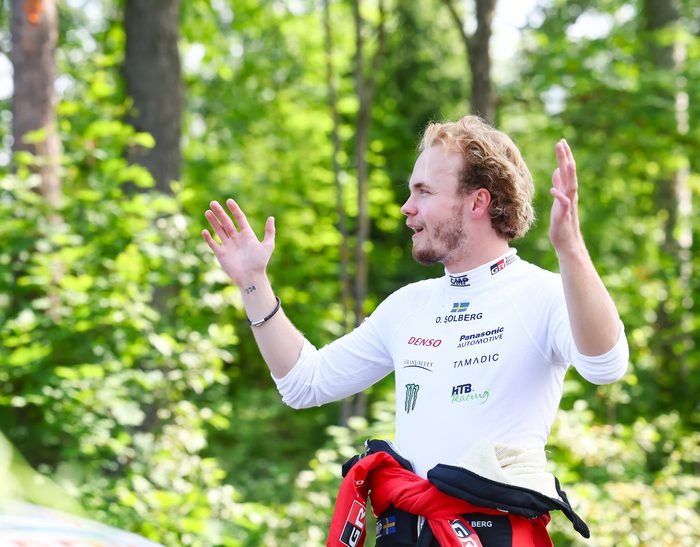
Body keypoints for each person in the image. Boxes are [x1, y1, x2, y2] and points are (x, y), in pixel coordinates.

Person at [202, 116, 629, 545]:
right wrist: (253, 283)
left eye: (423, 191)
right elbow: (303, 383)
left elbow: (606, 365)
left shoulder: (543, 293)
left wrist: (570, 250)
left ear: (477, 202)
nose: (407, 207)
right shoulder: (408, 305)